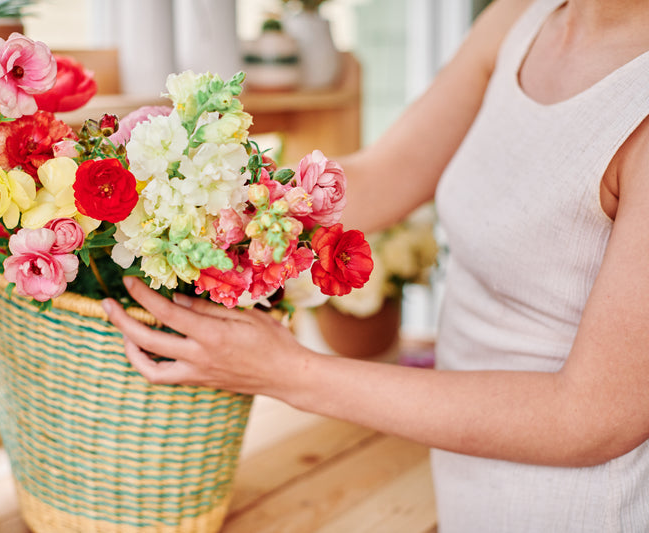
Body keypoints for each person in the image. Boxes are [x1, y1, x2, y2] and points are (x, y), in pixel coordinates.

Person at [101, 0, 649, 530]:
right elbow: (387, 172)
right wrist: (207, 191)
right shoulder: (518, 20)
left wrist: (288, 372)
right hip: (467, 476)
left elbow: (588, 419)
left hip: (581, 506)